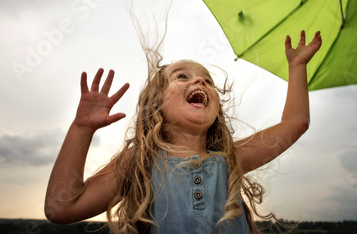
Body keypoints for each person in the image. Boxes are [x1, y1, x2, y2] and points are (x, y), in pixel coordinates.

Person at [44, 30, 322, 233]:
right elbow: (61, 209)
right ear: (156, 104)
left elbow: (295, 123)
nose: (199, 79)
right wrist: (81, 129)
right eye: (181, 76)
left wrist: (297, 67)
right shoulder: (140, 161)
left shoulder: (230, 158)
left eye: (206, 80)